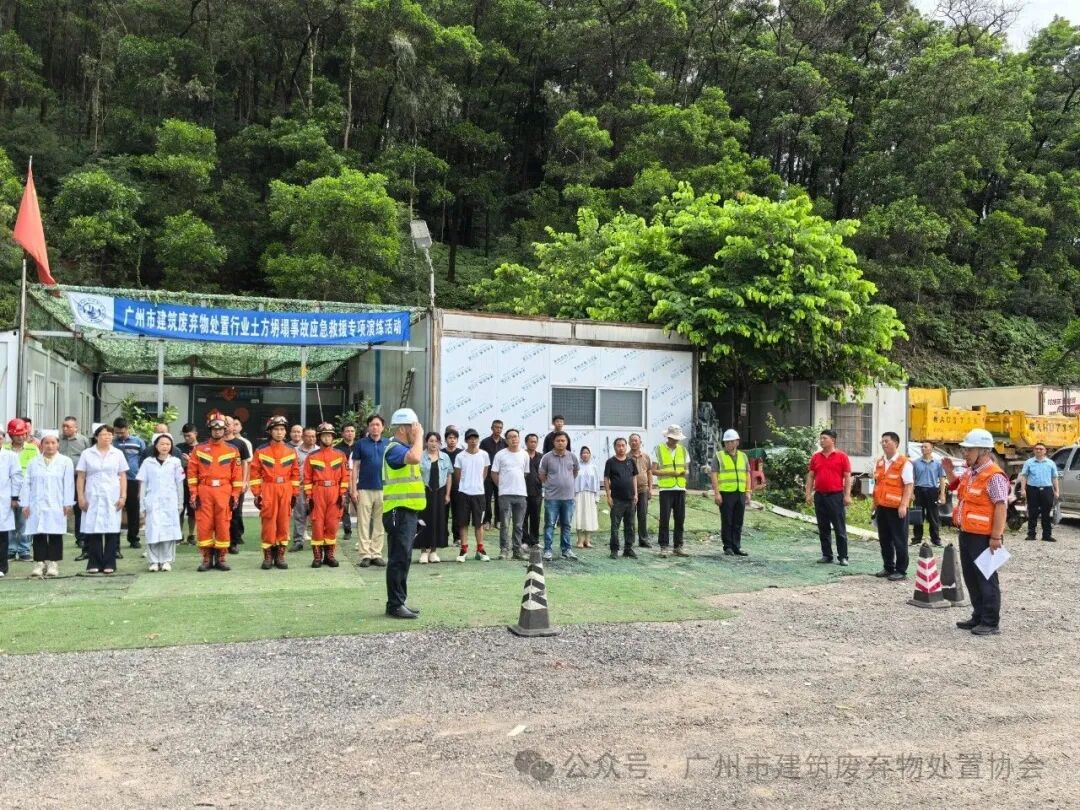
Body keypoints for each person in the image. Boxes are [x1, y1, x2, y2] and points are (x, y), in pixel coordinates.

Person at [943, 428, 1009, 636]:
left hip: (984, 536)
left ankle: (990, 622)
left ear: (984, 451)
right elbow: (956, 487)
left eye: (969, 450)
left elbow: (1001, 507)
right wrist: (948, 471)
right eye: (965, 449)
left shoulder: (993, 476)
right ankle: (978, 615)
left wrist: (996, 536)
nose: (965, 453)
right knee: (971, 578)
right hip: (967, 533)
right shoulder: (971, 473)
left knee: (986, 579)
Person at [381, 408, 425, 619]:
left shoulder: (402, 448)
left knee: (404, 558)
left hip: (407, 511)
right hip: (398, 511)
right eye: (413, 427)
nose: (416, 430)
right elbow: (415, 457)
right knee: (398, 559)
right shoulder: (395, 449)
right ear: (402, 428)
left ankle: (400, 601)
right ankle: (395, 604)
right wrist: (420, 437)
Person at [188, 415, 243, 572]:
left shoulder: (233, 450)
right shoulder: (198, 449)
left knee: (223, 524)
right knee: (204, 525)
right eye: (214, 429)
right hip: (204, 490)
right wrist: (194, 493)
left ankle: (221, 558)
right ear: (210, 430)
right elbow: (192, 473)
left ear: (225, 430)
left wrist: (235, 495)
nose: (217, 431)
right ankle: (206, 558)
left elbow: (237, 475)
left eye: (220, 429)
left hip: (224, 491)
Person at [250, 415, 301, 570]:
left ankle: (280, 556)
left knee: (283, 523)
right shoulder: (261, 451)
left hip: (285, 489)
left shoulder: (291, 451)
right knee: (268, 523)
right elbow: (254, 473)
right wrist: (257, 493)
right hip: (268, 488)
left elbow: (295, 473)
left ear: (285, 432)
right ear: (270, 431)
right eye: (276, 429)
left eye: (282, 429)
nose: (279, 432)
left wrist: (294, 493)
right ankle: (268, 556)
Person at [76, 424, 127, 575]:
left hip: (112, 495)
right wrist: (81, 497)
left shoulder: (117, 453)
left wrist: (123, 496)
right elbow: (81, 476)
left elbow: (123, 475)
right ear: (96, 436)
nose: (107, 437)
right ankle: (94, 562)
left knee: (111, 528)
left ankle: (110, 562)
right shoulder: (87, 453)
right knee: (93, 528)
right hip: (92, 494)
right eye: (104, 434)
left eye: (110, 434)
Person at [24, 435, 75, 578]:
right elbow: (27, 483)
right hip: (36, 503)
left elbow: (69, 484)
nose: (50, 446)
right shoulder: (33, 462)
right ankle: (39, 563)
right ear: (41, 445)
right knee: (38, 533)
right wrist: (25, 504)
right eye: (46, 443)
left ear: (58, 444)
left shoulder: (65, 461)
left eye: (53, 443)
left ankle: (53, 563)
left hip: (56, 503)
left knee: (55, 533)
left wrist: (67, 503)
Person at [136, 433, 184, 572]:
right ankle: (153, 561)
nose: (165, 446)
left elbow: (179, 484)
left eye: (168, 444)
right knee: (153, 530)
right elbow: (143, 484)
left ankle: (166, 560)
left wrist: (180, 503)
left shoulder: (175, 462)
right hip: (153, 501)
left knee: (169, 531)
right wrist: (142, 504)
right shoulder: (148, 462)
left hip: (170, 501)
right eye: (162, 444)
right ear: (156, 446)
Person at [304, 423, 349, 568]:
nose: (327, 438)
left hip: (335, 492)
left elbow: (345, 476)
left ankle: (329, 556)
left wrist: (342, 494)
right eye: (324, 435)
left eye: (329, 435)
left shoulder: (340, 455)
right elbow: (307, 478)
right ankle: (317, 557)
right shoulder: (312, 456)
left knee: (332, 524)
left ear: (333, 437)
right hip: (318, 492)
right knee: (317, 524)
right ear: (319, 437)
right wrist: (309, 496)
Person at [805, 429, 852, 566]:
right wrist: (808, 494)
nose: (821, 441)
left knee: (839, 527)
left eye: (824, 438)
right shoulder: (816, 457)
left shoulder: (842, 456)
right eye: (820, 438)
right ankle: (827, 555)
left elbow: (847, 477)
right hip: (820, 496)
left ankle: (843, 556)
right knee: (823, 527)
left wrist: (847, 495)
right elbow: (811, 476)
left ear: (833, 440)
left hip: (835, 496)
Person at [872, 432, 914, 582]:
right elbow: (877, 485)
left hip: (897, 508)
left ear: (895, 443)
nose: (883, 444)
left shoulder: (904, 463)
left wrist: (904, 505)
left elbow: (908, 485)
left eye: (887, 441)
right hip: (882, 507)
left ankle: (901, 570)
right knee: (884, 539)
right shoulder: (880, 462)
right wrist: (874, 504)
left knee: (899, 539)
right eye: (882, 441)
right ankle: (888, 566)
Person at [351, 414, 388, 567]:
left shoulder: (388, 444)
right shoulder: (360, 444)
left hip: (383, 489)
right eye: (372, 425)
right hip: (364, 488)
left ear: (383, 427)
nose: (375, 427)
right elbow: (355, 468)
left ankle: (376, 553)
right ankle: (365, 554)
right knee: (363, 523)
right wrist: (354, 489)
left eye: (378, 425)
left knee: (380, 523)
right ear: (368, 427)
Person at [710, 429, 751, 556]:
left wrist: (748, 491)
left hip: (740, 492)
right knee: (727, 520)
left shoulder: (743, 456)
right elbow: (714, 475)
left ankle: (736, 546)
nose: (728, 444)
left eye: (731, 442)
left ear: (737, 442)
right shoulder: (718, 456)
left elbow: (747, 474)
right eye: (726, 442)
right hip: (726, 493)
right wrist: (717, 493)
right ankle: (727, 546)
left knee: (738, 521)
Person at [539, 431, 579, 561]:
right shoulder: (547, 457)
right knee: (549, 525)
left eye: (563, 440)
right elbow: (542, 474)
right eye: (558, 441)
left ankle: (566, 550)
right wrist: (550, 485)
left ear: (567, 442)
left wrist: (566, 482)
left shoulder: (572, 457)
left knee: (566, 525)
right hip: (552, 498)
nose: (560, 443)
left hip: (568, 498)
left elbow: (575, 472)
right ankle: (547, 550)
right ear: (553, 442)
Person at [491, 428, 530, 560]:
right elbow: (494, 473)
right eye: (511, 437)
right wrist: (502, 486)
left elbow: (525, 473)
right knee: (505, 524)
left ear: (519, 438)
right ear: (506, 440)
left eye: (516, 436)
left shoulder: (524, 454)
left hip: (521, 494)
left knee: (518, 525)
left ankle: (517, 551)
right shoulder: (500, 455)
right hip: (505, 494)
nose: (514, 439)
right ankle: (504, 550)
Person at [4, 419, 39, 561]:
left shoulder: (33, 449)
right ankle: (11, 549)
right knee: (8, 520)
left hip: (26, 489)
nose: (21, 437)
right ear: (11, 435)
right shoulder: (4, 449)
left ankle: (24, 549)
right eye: (17, 434)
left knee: (24, 520)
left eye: (23, 434)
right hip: (7, 490)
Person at [653, 424, 690, 558]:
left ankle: (678, 546)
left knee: (680, 519)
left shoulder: (683, 450)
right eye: (673, 438)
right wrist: (671, 473)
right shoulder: (658, 449)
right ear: (668, 437)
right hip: (666, 489)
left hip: (680, 488)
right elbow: (654, 470)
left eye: (677, 438)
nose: (675, 441)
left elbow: (687, 469)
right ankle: (663, 547)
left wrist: (684, 472)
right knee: (664, 518)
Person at [453, 429, 490, 562]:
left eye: (475, 438)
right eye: (470, 438)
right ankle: (463, 550)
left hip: (479, 494)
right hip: (463, 493)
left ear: (478, 440)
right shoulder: (460, 456)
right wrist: (465, 485)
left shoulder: (484, 455)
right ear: (466, 440)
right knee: (463, 523)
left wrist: (477, 484)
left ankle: (480, 550)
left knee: (479, 524)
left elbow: (485, 472)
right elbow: (457, 475)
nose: (473, 441)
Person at [417, 432, 452, 564]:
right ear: (426, 442)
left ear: (439, 443)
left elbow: (449, 476)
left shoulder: (445, 457)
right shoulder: (420, 456)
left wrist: (447, 494)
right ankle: (423, 552)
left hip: (440, 493)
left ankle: (433, 551)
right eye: (431, 441)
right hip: (424, 491)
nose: (433, 443)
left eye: (436, 441)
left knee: (438, 521)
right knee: (423, 520)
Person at [112, 418, 146, 550]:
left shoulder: (138, 442)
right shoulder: (112, 443)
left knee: (133, 509)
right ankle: (115, 542)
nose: (120, 435)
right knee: (116, 508)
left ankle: (133, 538)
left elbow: (143, 459)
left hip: (133, 479)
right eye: (117, 432)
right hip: (116, 480)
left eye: (122, 432)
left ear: (127, 428)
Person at [604, 437, 639, 559]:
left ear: (626, 446)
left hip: (630, 499)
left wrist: (636, 494)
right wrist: (608, 496)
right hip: (616, 499)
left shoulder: (631, 461)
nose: (621, 448)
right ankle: (614, 550)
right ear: (615, 447)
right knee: (615, 526)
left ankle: (628, 548)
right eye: (618, 445)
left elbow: (634, 477)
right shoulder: (610, 462)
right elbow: (606, 479)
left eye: (623, 445)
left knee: (630, 525)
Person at [59, 417, 90, 554]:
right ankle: (56, 534)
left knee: (79, 507)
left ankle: (80, 537)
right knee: (59, 505)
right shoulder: (57, 439)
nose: (65, 429)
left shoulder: (83, 440)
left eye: (68, 426)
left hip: (78, 477)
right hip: (60, 477)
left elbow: (89, 457)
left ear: (76, 428)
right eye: (64, 426)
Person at [1019, 442, 1060, 543]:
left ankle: (1047, 535)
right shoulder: (1028, 462)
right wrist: (1023, 489)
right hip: (1032, 489)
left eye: (1041, 449)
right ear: (1034, 450)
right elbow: (1024, 476)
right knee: (1032, 512)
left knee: (1046, 513)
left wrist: (1057, 491)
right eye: (1036, 448)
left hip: (1047, 489)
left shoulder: (1051, 463)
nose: (1038, 450)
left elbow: (1054, 478)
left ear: (1045, 451)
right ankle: (1031, 534)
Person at [911, 441, 947, 547]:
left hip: (932, 491)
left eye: (925, 447)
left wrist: (942, 494)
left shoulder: (938, 464)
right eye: (922, 447)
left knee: (933, 516)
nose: (923, 448)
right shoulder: (915, 463)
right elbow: (912, 479)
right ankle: (917, 538)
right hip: (919, 491)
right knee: (918, 515)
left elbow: (942, 479)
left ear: (931, 448)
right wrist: (911, 492)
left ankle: (935, 539)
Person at [225, 416, 252, 554]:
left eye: (228, 424)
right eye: (224, 424)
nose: (226, 427)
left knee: (236, 513)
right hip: (221, 485)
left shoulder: (240, 444)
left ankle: (234, 542)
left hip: (237, 483)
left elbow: (245, 462)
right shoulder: (217, 443)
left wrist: (245, 481)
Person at [290, 426, 319, 551]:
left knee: (317, 515)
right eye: (308, 436)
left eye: (313, 436)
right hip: (300, 487)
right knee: (299, 515)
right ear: (303, 437)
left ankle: (318, 540)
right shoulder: (294, 451)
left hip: (317, 488)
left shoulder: (319, 450)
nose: (311, 438)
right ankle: (298, 541)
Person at [0, 434, 21, 578]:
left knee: (2, 535)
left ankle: (1, 566)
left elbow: (17, 477)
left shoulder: (10, 456)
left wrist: (14, 497)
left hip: (3, 499)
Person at [175, 423, 200, 546]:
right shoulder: (178, 448)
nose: (186, 438)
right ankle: (178, 534)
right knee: (179, 509)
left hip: (195, 484)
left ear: (195, 434)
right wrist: (182, 464)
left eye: (189, 435)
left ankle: (191, 534)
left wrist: (191, 462)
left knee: (193, 511)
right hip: (180, 484)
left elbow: (206, 467)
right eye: (184, 436)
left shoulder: (202, 448)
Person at [479, 420, 507, 528]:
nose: (498, 429)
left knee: (500, 498)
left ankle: (498, 520)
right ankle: (487, 520)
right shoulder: (485, 442)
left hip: (501, 475)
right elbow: (481, 458)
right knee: (486, 499)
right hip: (488, 475)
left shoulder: (505, 443)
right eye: (496, 427)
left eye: (500, 428)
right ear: (492, 428)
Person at [628, 433, 653, 548]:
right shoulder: (626, 457)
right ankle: (630, 540)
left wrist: (650, 489)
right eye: (632, 441)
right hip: (630, 491)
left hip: (643, 489)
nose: (634, 442)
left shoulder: (646, 456)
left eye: (636, 440)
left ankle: (643, 540)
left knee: (643, 515)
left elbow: (649, 473)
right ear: (629, 443)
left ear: (640, 442)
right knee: (630, 516)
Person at [336, 423, 358, 544]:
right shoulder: (337, 448)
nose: (350, 433)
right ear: (342, 433)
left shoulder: (359, 446)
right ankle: (347, 530)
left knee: (360, 507)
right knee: (344, 507)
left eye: (352, 431)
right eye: (347, 431)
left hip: (358, 481)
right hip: (342, 481)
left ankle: (363, 532)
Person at [573, 447, 600, 548]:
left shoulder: (594, 467)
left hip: (590, 495)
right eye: (583, 453)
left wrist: (597, 496)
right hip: (579, 495)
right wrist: (573, 495)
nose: (585, 455)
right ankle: (580, 541)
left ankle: (587, 541)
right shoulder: (576, 467)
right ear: (580, 455)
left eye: (587, 453)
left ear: (590, 454)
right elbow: (573, 481)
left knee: (590, 517)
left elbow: (597, 482)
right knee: (579, 516)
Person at [523, 433, 543, 547]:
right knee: (523, 517)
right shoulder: (521, 455)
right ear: (526, 443)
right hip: (523, 491)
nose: (533, 444)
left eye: (535, 442)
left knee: (536, 517)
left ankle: (534, 540)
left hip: (537, 491)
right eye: (531, 442)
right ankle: (524, 541)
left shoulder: (541, 457)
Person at [444, 427, 463, 544]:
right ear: (446, 440)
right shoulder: (441, 453)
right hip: (443, 488)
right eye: (450, 438)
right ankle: (443, 537)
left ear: (457, 440)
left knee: (457, 513)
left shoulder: (461, 454)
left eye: (454, 438)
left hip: (458, 488)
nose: (452, 440)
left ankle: (457, 538)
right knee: (443, 514)